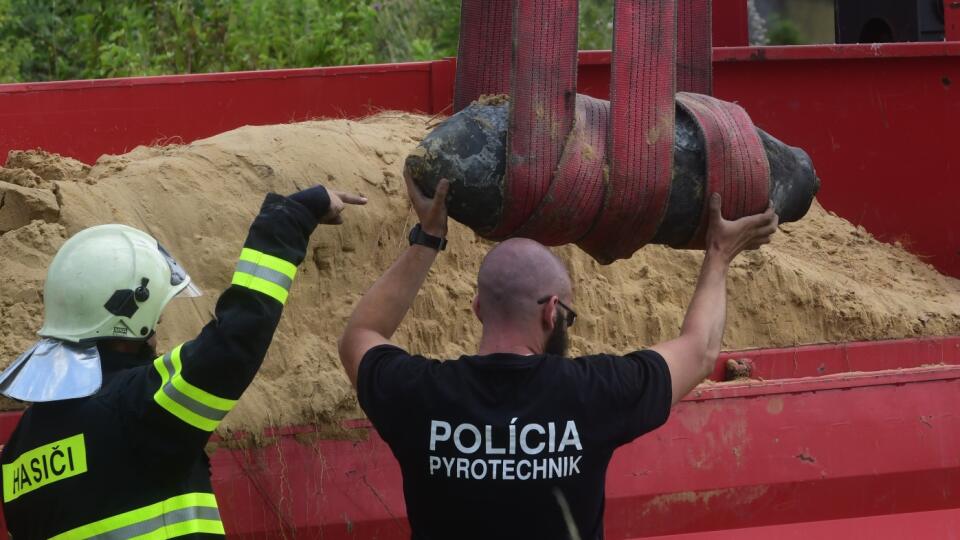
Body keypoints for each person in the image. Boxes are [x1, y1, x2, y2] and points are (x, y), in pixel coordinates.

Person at [338, 174, 779, 539]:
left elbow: (361, 334)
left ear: (477, 309)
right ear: (552, 312)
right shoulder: (593, 393)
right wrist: (719, 254)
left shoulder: (419, 394)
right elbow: (700, 350)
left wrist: (427, 238)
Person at [0, 184, 365, 539]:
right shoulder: (138, 408)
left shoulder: (19, 453)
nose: (158, 334)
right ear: (135, 322)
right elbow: (235, 342)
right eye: (156, 321)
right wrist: (289, 219)